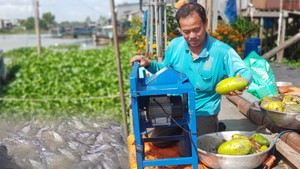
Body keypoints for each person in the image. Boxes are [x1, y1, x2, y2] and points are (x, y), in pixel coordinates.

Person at [130, 2, 252, 150]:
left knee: (187, 150)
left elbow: (244, 72)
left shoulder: (222, 51)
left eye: (196, 30)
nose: (192, 36)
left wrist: (243, 81)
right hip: (177, 107)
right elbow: (165, 70)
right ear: (180, 29)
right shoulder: (175, 45)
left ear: (205, 23)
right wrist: (149, 63)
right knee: (157, 141)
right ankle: (196, 131)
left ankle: (212, 126)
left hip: (203, 110)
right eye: (186, 32)